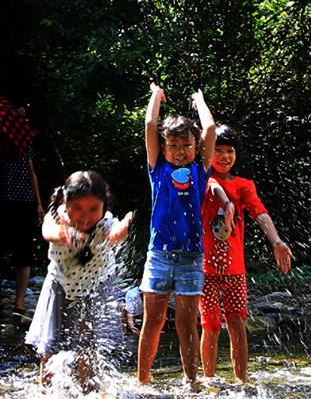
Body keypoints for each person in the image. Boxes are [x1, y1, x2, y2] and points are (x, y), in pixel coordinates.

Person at [138, 84, 232, 386]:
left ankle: (191, 382)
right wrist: (156, 96)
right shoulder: (157, 169)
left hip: (192, 257)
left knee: (187, 324)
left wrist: (200, 100)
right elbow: (151, 124)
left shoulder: (200, 170)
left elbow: (211, 128)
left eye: (186, 146)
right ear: (164, 149)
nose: (180, 152)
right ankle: (143, 380)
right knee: (152, 321)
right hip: (159, 256)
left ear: (195, 147)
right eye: (174, 146)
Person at [199, 124, 293, 382]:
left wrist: (276, 241)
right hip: (204, 270)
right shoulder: (201, 180)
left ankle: (242, 381)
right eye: (217, 150)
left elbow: (259, 213)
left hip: (235, 270)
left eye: (229, 150)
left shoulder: (243, 185)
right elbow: (214, 187)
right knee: (211, 325)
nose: (224, 156)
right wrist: (226, 204)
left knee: (238, 324)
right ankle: (208, 380)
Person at [25, 171, 134, 390]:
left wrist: (122, 229)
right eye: (78, 209)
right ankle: (45, 390)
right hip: (60, 287)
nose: (85, 217)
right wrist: (65, 235)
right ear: (66, 203)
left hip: (93, 289)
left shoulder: (104, 222)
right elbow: (47, 231)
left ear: (103, 205)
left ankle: (89, 388)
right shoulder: (57, 216)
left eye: (94, 209)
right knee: (50, 345)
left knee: (88, 343)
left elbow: (114, 232)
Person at [0, 104, 44, 318]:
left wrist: (38, 203)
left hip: (23, 200)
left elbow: (32, 172)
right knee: (19, 250)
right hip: (7, 199)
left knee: (23, 251)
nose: (23, 112)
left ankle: (19, 303)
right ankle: (14, 302)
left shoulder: (23, 140)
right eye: (20, 109)